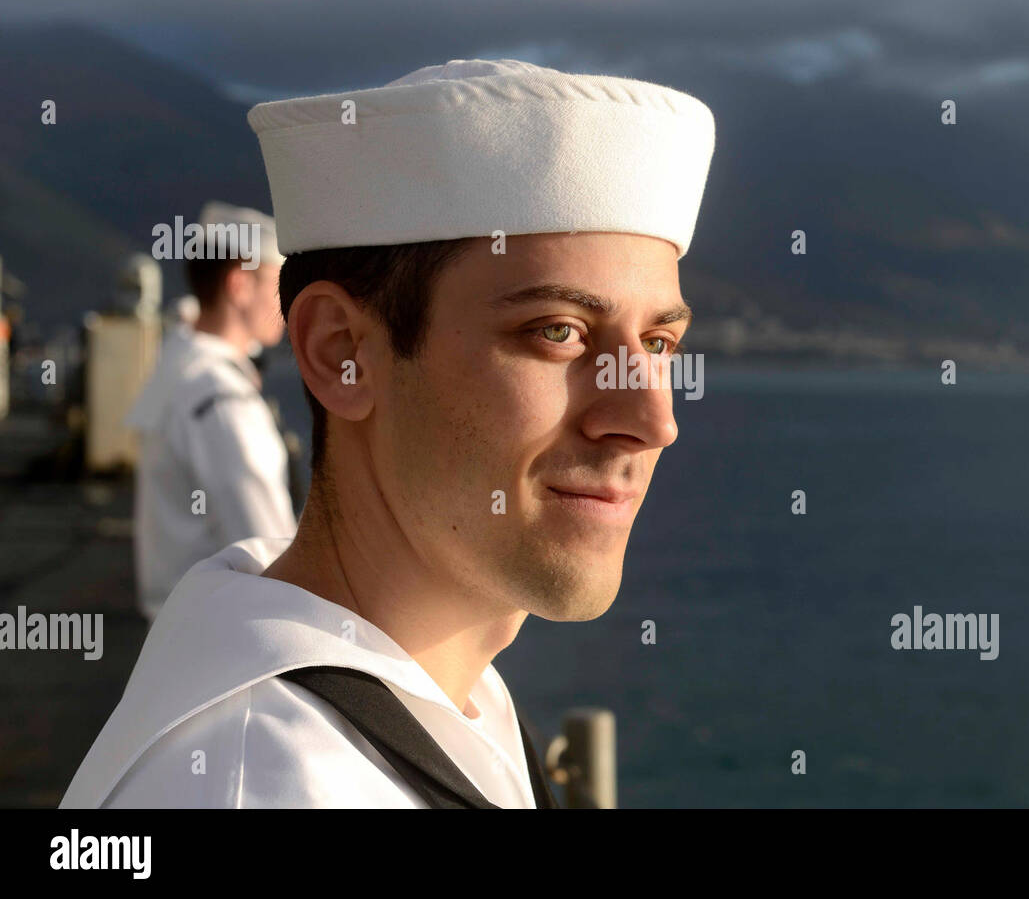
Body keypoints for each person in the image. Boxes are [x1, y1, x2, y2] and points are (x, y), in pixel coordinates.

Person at [61, 58, 715, 808]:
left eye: (659, 345)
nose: (652, 420)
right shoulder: (266, 784)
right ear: (342, 351)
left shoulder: (448, 702)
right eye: (558, 332)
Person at [125, 202, 297, 621]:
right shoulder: (221, 399)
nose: (286, 303)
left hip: (180, 626)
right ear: (238, 285)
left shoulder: (180, 361)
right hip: (224, 634)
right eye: (277, 285)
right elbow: (271, 551)